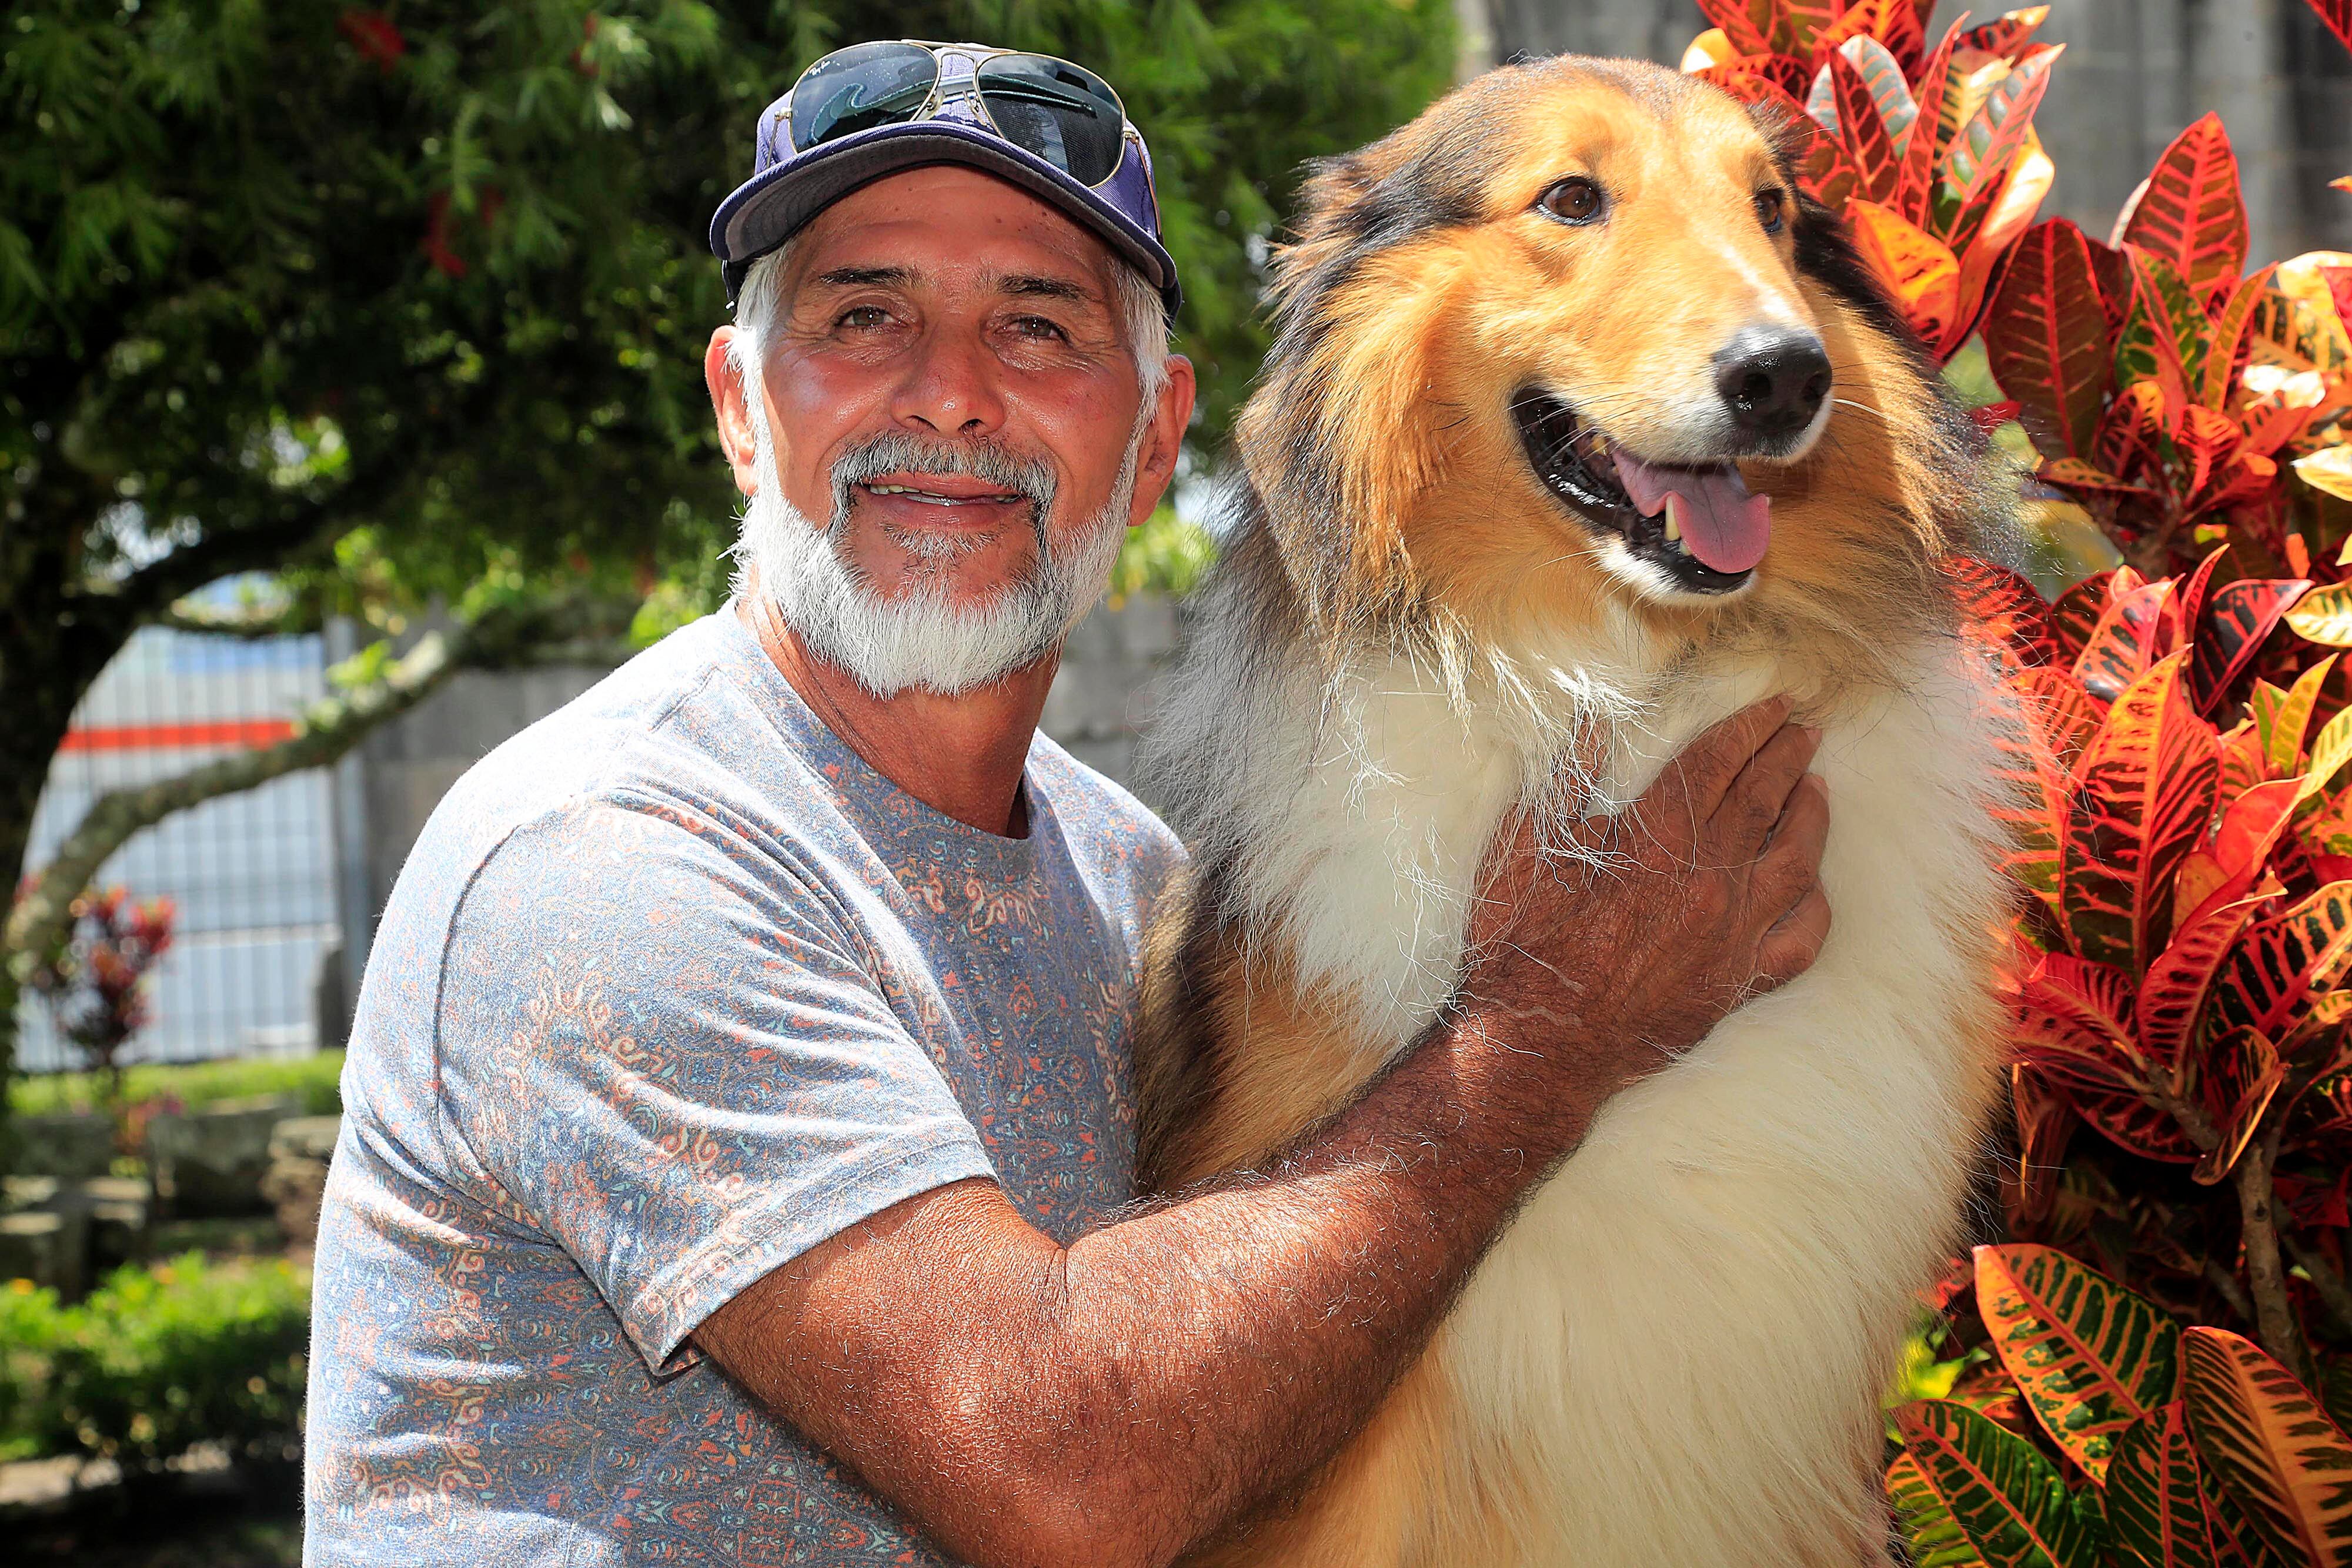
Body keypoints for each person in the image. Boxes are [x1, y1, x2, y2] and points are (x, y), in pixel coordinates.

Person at [302, 39, 1833, 1568]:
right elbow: (1064, 1473)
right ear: (740, 407)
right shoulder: (611, 868)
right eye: (863, 316)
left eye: (1037, 328)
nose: (953, 395)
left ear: (1159, 437)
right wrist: (1553, 1033)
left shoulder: (1127, 876)